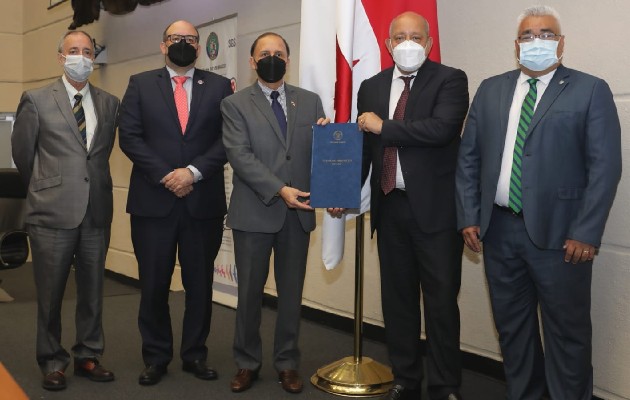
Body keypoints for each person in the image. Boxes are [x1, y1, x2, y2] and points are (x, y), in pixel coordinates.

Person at [455, 6, 621, 400]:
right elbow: (469, 158)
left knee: (568, 335)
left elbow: (605, 167)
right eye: (528, 35)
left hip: (563, 237)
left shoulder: (590, 89)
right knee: (513, 331)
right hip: (498, 231)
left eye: (546, 34)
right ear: (516, 46)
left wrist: (586, 231)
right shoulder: (490, 89)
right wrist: (468, 216)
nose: (536, 41)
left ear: (561, 43)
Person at [346, 11, 469, 400]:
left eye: (416, 36)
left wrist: (384, 126)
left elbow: (442, 129)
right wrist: (343, 191)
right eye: (399, 37)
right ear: (387, 44)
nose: (408, 43)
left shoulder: (450, 79)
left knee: (440, 303)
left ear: (429, 43)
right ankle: (406, 378)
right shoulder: (371, 86)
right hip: (391, 206)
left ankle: (446, 384)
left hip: (435, 212)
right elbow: (364, 149)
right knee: (397, 302)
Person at [118, 20, 232, 386]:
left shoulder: (219, 86)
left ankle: (195, 354)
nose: (182, 43)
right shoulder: (139, 84)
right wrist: (170, 174)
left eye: (190, 39)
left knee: (200, 285)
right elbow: (130, 137)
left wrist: (193, 172)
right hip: (154, 201)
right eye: (175, 38)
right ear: (163, 45)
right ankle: (156, 356)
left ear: (199, 48)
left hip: (203, 202)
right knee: (153, 284)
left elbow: (229, 139)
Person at [11, 30, 119, 391]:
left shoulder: (108, 103)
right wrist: (48, 186)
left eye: (88, 51)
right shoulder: (36, 99)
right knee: (51, 293)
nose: (81, 57)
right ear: (61, 57)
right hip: (52, 212)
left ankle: (88, 355)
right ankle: (52, 361)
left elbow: (99, 156)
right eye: (74, 51)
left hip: (96, 212)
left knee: (92, 291)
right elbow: (24, 156)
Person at [221, 32, 328, 394]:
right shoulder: (235, 104)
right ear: (252, 62)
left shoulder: (310, 102)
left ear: (288, 59)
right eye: (264, 54)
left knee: (291, 294)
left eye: (279, 53)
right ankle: (247, 363)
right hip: (255, 213)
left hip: (298, 215)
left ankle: (287, 363)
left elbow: (321, 155)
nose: (272, 58)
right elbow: (240, 156)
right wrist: (279, 189)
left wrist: (329, 141)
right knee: (250, 294)